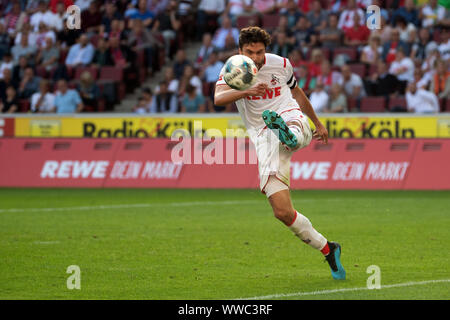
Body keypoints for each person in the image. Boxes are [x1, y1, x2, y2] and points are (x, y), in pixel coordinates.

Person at [214, 26, 346, 280]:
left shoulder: (281, 64)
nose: (255, 58)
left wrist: (317, 122)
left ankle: (289, 133)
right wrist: (246, 91)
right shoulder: (234, 68)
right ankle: (329, 249)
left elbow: (296, 93)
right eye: (250, 52)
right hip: (264, 137)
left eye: (260, 52)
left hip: (288, 115)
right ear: (240, 51)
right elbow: (218, 97)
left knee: (294, 134)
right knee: (282, 212)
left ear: (267, 50)